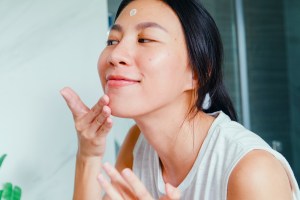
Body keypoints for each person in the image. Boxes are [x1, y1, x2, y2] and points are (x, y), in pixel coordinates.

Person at [60, 0, 300, 199]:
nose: (116, 54)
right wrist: (89, 155)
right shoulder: (138, 143)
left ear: (197, 73)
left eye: (145, 40)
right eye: (112, 41)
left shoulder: (253, 171)